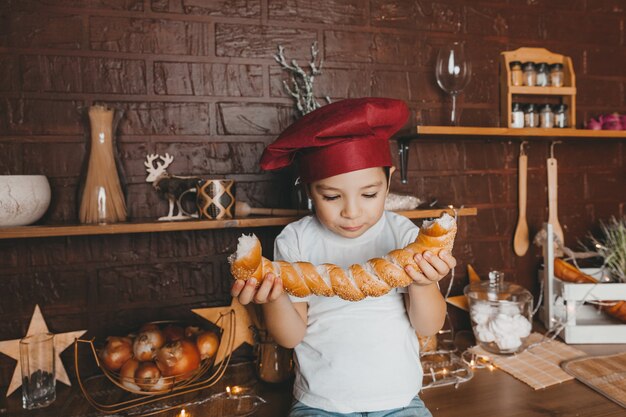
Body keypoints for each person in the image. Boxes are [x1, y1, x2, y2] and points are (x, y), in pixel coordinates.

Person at [231, 98, 456, 417]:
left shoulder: (405, 235)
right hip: (321, 403)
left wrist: (424, 283)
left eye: (369, 194)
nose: (351, 212)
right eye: (332, 196)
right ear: (309, 190)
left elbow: (428, 325)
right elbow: (289, 337)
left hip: (400, 401)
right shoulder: (295, 240)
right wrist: (274, 297)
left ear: (388, 180)